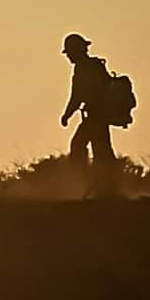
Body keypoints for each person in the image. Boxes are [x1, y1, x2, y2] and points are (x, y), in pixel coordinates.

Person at [59, 33, 117, 191]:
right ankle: (103, 185)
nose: (68, 56)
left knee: (81, 147)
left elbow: (76, 96)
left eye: (70, 52)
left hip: (96, 116)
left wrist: (67, 115)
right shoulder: (92, 66)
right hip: (97, 116)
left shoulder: (86, 68)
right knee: (101, 150)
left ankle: (92, 183)